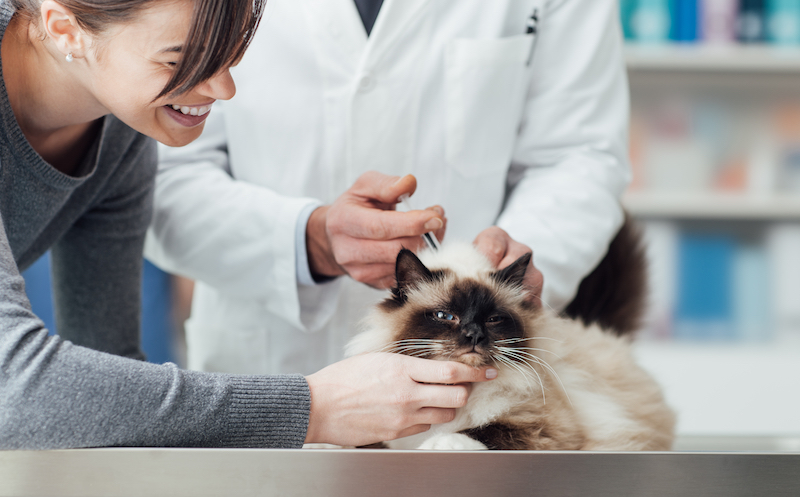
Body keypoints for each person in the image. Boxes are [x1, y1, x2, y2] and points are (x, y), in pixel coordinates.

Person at [0, 0, 495, 450]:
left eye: (227, 54)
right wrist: (312, 408)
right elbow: (13, 390)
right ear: (64, 29)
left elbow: (109, 370)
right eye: (179, 61)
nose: (223, 88)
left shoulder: (119, 133)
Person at [145, 0, 631, 376]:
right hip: (268, 363)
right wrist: (306, 240)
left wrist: (505, 275)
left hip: (474, 375)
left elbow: (580, 154)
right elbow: (160, 174)